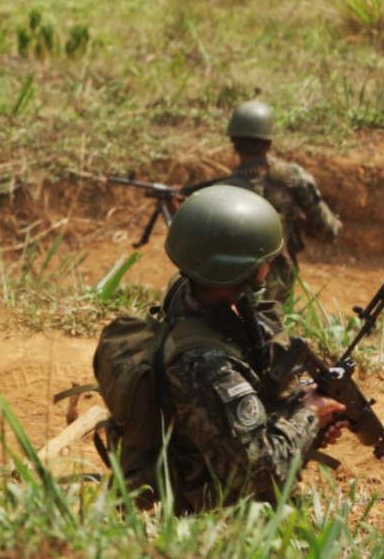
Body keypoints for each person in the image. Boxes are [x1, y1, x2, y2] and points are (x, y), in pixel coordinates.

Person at [149, 184, 348, 511]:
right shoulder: (207, 364)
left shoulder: (202, 291)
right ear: (243, 268)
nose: (271, 263)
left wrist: (303, 396)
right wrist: (309, 415)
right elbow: (262, 471)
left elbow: (266, 371)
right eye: (266, 258)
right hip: (216, 513)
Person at [218, 100, 342, 303]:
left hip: (231, 289)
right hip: (277, 288)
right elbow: (328, 230)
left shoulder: (222, 191)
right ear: (269, 142)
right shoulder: (293, 177)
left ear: (233, 142)